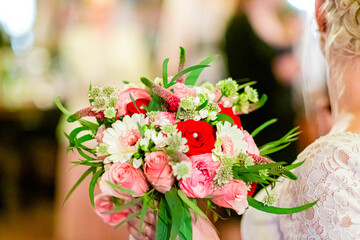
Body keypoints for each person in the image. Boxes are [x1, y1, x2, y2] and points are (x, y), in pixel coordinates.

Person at [130, 0, 360, 239]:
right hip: (257, 126)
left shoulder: (333, 165)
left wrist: (200, 236)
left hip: (283, 125)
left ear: (320, 11)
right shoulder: (240, 26)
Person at [223, 0, 302, 165]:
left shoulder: (284, 19)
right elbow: (238, 78)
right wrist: (275, 73)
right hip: (256, 123)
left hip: (285, 121)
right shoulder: (239, 25)